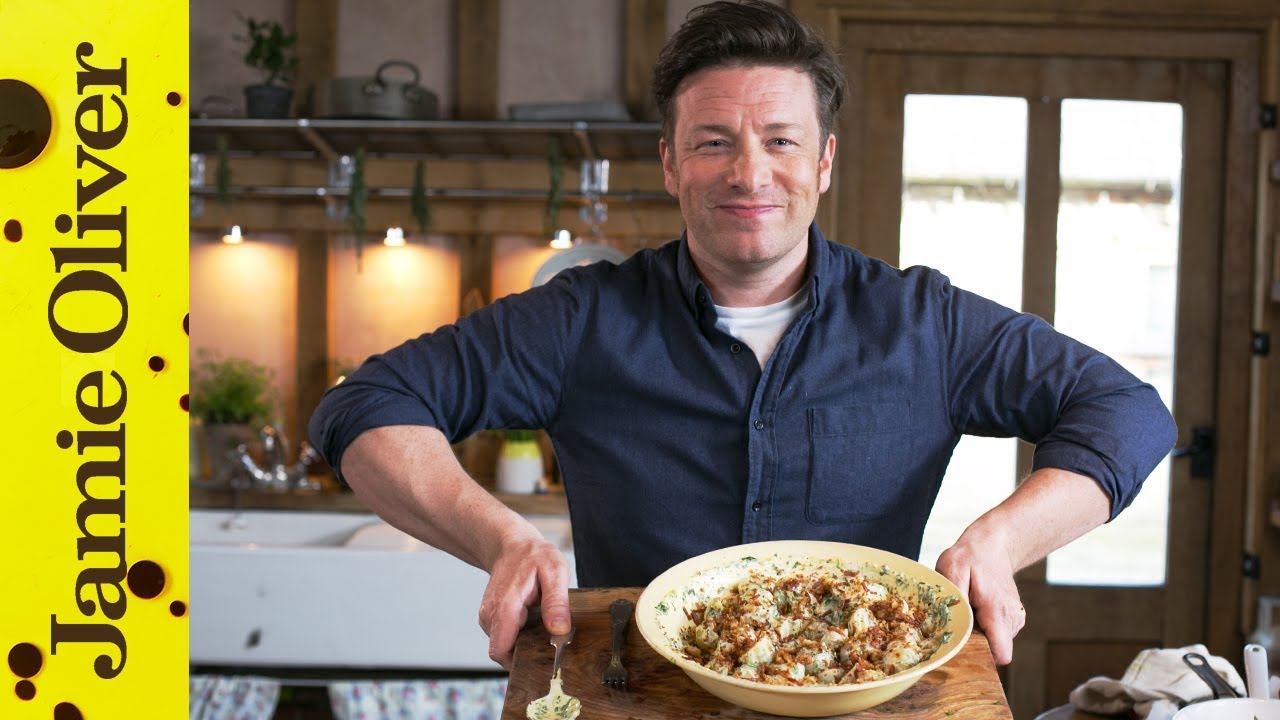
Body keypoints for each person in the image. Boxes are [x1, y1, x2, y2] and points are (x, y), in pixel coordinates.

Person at [309, 0, 1175, 672]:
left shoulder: (925, 322)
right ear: (671, 162)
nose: (749, 172)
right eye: (714, 142)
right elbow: (364, 407)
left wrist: (1001, 539)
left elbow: (1127, 412)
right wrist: (502, 538)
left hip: (861, 699)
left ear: (824, 162)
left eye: (781, 141)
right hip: (639, 697)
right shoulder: (580, 319)